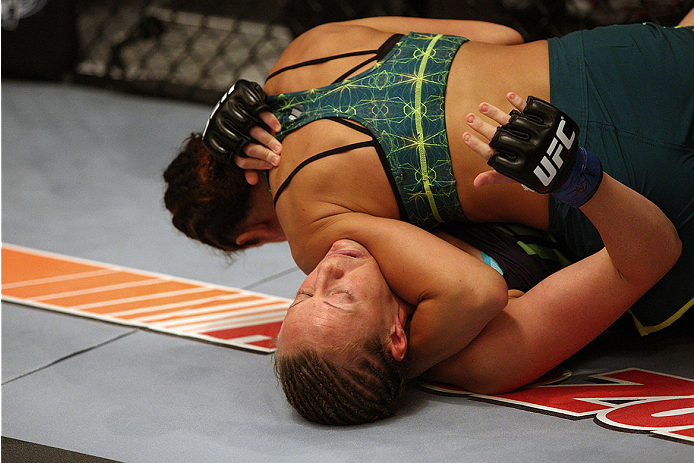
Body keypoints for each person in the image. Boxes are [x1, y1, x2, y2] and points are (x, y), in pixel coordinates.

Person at [163, 17, 693, 422]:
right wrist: (379, 367)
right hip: (614, 77)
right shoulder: (306, 49)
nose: (319, 271)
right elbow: (500, 35)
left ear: (253, 237)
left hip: (611, 171)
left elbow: (469, 289)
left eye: (302, 295)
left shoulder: (341, 234)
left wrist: (381, 366)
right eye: (338, 298)